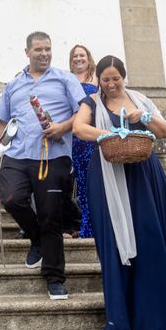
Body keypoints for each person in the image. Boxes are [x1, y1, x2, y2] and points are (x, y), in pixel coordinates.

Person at [74, 55, 166, 330]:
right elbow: (79, 128)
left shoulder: (140, 100)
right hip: (107, 175)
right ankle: (124, 315)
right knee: (114, 240)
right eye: (106, 80)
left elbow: (164, 131)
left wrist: (146, 118)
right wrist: (107, 134)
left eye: (116, 79)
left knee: (151, 234)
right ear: (98, 80)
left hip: (144, 176)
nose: (112, 84)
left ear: (124, 77)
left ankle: (161, 309)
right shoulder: (91, 103)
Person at [0, 32, 84, 300]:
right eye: (38, 49)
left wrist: (62, 127)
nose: (44, 54)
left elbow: (84, 111)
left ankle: (54, 277)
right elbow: (1, 121)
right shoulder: (14, 84)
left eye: (48, 49)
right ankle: (36, 236)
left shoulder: (65, 79)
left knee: (51, 214)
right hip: (17, 153)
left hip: (53, 155)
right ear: (27, 52)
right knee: (12, 198)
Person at [69, 44, 98, 238]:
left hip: (90, 136)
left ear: (88, 58)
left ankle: (93, 224)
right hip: (73, 137)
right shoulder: (68, 79)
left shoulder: (96, 78)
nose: (79, 58)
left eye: (82, 55)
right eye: (75, 56)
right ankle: (83, 224)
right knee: (78, 180)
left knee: (91, 180)